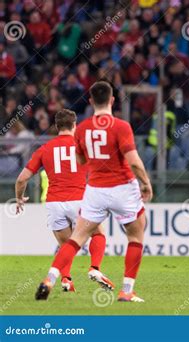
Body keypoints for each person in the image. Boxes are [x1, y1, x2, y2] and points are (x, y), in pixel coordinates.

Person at [35, 81, 153, 302]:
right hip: (122, 187)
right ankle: (126, 290)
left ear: (90, 102)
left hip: (95, 190)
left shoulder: (82, 129)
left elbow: (80, 159)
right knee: (135, 235)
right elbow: (134, 162)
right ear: (112, 100)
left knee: (77, 238)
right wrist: (145, 182)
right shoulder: (121, 126)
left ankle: (50, 278)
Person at [15, 109, 110, 293]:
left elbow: (21, 179)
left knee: (66, 246)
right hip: (80, 200)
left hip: (54, 203)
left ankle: (66, 279)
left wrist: (19, 199)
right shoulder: (83, 146)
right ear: (74, 125)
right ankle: (95, 268)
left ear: (56, 127)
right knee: (98, 234)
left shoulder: (44, 149)